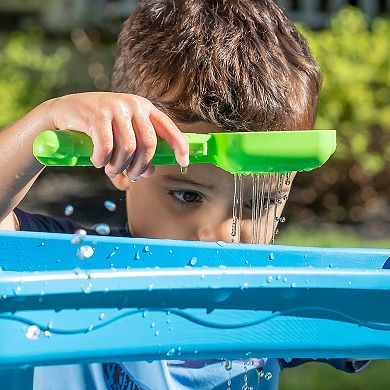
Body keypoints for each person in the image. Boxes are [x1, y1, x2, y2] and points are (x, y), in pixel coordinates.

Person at [0, 0, 369, 388]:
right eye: (188, 196)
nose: (219, 234)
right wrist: (49, 118)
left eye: (257, 200)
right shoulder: (78, 268)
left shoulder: (269, 298)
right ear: (124, 163)